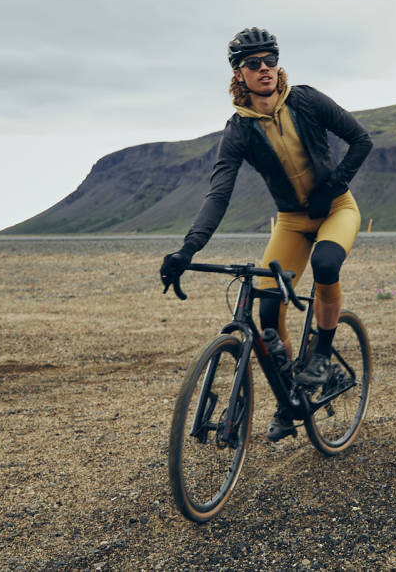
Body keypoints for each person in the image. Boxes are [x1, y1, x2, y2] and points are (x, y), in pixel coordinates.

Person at [159, 27, 372, 442]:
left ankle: (323, 357)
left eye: (270, 60)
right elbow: (219, 194)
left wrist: (333, 185)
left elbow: (360, 140)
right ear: (238, 74)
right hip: (292, 220)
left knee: (326, 265)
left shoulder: (307, 100)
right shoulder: (239, 129)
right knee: (269, 313)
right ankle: (289, 397)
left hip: (336, 209)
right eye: (253, 64)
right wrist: (187, 249)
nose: (265, 69)